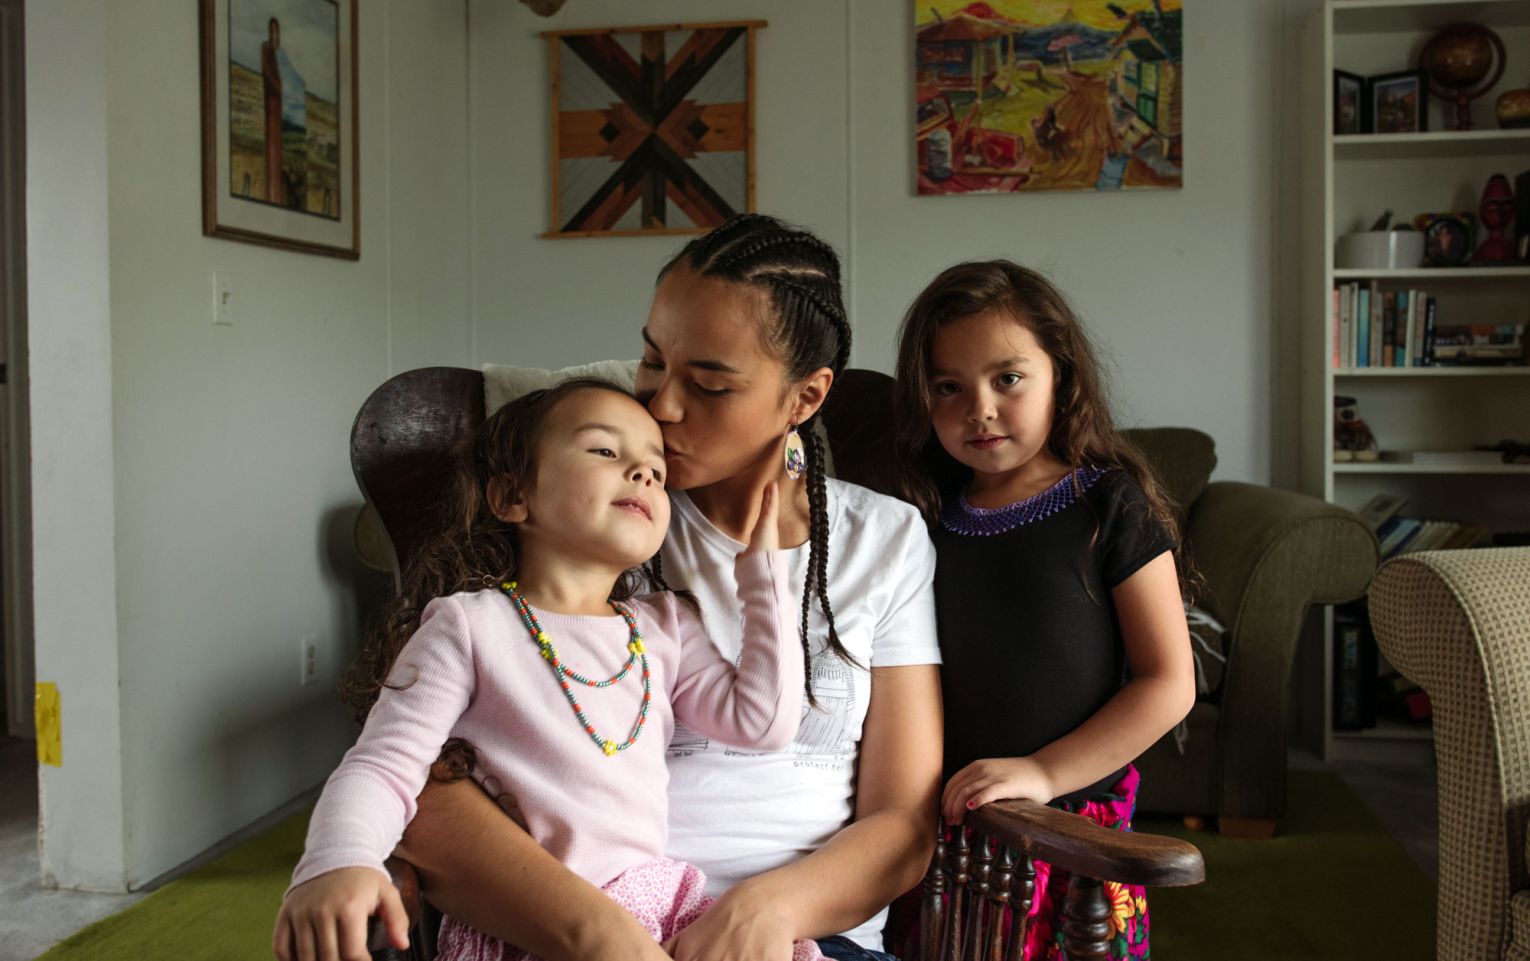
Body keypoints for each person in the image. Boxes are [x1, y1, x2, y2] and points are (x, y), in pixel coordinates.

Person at [384, 215, 943, 961]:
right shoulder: (588, 512)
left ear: (805, 397)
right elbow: (416, 776)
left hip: (805, 934)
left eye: (709, 384)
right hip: (584, 925)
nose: (663, 406)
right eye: (653, 362)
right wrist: (602, 934)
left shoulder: (884, 538)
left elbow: (903, 822)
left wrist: (764, 911)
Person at [274, 378, 822, 961]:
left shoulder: (664, 627)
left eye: (657, 471)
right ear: (513, 497)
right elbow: (385, 766)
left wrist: (762, 571)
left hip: (657, 912)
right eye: (606, 452)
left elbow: (764, 721)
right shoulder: (469, 626)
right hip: (527, 926)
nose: (642, 474)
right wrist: (336, 862)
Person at [891, 260, 1194, 960]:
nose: (981, 408)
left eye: (1008, 377)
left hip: (1070, 828)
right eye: (947, 387)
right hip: (946, 825)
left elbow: (1169, 681)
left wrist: (1043, 773)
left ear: (1061, 371)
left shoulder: (1109, 504)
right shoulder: (922, 520)